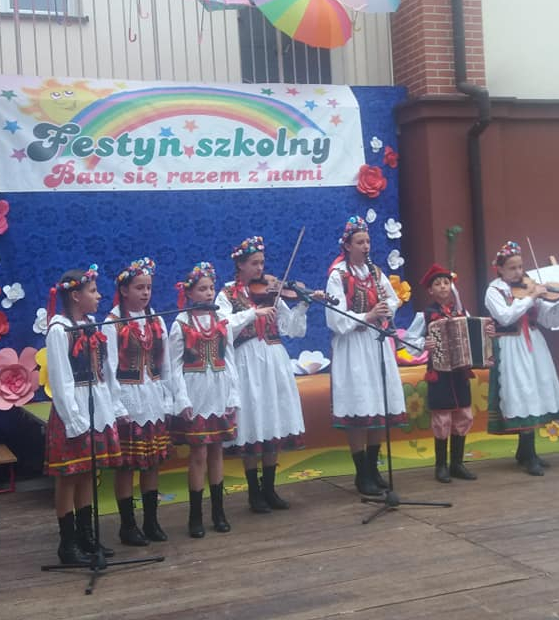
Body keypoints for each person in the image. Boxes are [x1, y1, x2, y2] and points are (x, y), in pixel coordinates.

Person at [216, 235, 310, 513]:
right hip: (247, 363)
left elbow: (293, 329)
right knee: (252, 421)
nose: (260, 269)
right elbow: (223, 327)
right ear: (240, 265)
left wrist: (303, 304)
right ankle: (253, 492)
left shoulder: (271, 292)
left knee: (272, 417)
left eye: (262, 263)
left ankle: (269, 488)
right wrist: (252, 314)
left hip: (274, 360)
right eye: (254, 263)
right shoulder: (227, 294)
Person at [43, 265, 123, 564]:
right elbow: (61, 380)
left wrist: (111, 406)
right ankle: (67, 544)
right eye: (93, 291)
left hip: (95, 405)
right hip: (73, 412)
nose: (99, 296)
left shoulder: (91, 325)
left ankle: (87, 536)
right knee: (69, 476)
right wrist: (74, 420)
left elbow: (104, 371)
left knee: (89, 472)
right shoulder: (59, 330)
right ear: (75, 296)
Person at [325, 216, 405, 496]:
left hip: (375, 342)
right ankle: (362, 473)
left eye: (368, 241)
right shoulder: (338, 276)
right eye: (360, 242)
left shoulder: (375, 272)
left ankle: (373, 468)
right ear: (347, 245)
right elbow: (335, 318)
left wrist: (385, 309)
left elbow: (393, 299)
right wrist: (367, 316)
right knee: (359, 405)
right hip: (353, 347)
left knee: (377, 403)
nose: (366, 246)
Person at [484, 242, 559, 476]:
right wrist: (530, 298)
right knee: (522, 394)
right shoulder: (494, 291)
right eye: (512, 268)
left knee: (535, 392)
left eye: (520, 267)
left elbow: (549, 320)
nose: (518, 272)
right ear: (500, 269)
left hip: (534, 344)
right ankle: (529, 455)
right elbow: (506, 317)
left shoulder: (530, 286)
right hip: (511, 346)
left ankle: (525, 452)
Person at [103, 257, 173, 546]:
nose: (145, 293)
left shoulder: (156, 320)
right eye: (139, 287)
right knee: (127, 465)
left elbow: (166, 363)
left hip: (153, 398)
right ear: (124, 290)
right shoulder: (112, 324)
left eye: (149, 288)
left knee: (152, 462)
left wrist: (168, 397)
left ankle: (151, 521)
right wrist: (117, 405)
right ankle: (127, 525)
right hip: (128, 401)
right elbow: (108, 369)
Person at [169, 262, 239, 538]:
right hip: (196, 391)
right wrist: (182, 399)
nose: (209, 293)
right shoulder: (181, 323)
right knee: (198, 453)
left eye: (211, 288)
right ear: (189, 293)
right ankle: (195, 516)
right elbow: (174, 366)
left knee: (217, 450)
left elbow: (230, 358)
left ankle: (219, 512)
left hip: (219, 390)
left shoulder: (221, 319)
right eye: (202, 289)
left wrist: (233, 394)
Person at [405, 264, 492, 483]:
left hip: (460, 372)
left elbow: (476, 334)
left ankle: (457, 464)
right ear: (430, 290)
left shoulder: (462, 313)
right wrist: (424, 344)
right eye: (438, 284)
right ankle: (441, 466)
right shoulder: (424, 315)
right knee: (442, 418)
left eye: (446, 282)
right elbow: (408, 341)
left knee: (464, 416)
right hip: (439, 372)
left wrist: (487, 332)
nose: (443, 286)